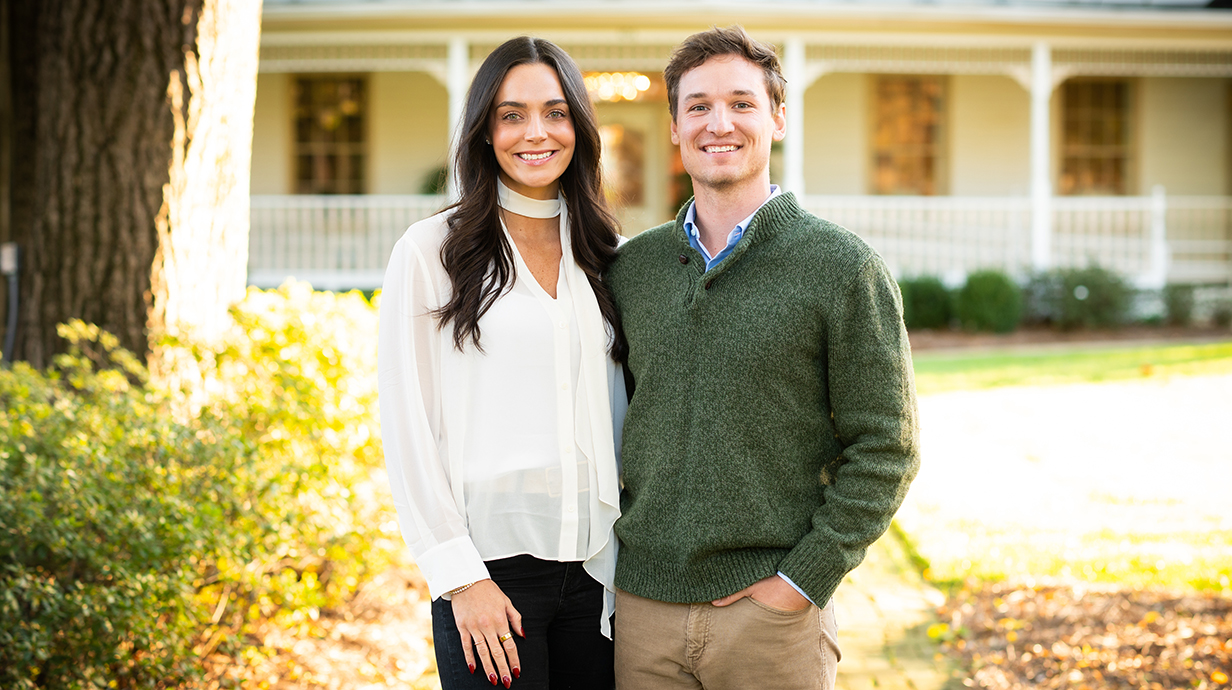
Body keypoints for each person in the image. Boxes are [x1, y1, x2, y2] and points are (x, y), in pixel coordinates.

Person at [607, 26, 921, 690]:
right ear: (674, 126)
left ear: (777, 117)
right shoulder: (633, 270)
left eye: (742, 103)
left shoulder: (842, 268)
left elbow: (887, 445)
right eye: (697, 106)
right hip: (641, 612)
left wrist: (802, 580)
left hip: (772, 617)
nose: (718, 122)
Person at [378, 36, 626, 690]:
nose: (535, 132)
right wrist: (462, 578)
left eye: (555, 112)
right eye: (511, 114)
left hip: (598, 575)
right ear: (485, 130)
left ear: (579, 125)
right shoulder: (432, 251)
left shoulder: (608, 254)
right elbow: (408, 425)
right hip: (489, 575)